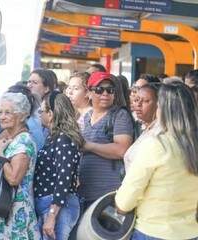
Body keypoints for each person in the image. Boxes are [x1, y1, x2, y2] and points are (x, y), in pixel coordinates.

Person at [116, 82, 198, 240]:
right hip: (191, 232)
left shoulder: (157, 144)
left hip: (153, 231)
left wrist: (120, 208)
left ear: (165, 110)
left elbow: (126, 199)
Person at [0, 92, 41, 239]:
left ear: (21, 115)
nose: (2, 117)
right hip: (4, 209)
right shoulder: (12, 138)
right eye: (0, 112)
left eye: (7, 112)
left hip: (16, 213)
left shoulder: (23, 141)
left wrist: (0, 154)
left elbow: (13, 178)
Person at [78, 71, 134, 211]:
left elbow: (122, 150)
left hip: (107, 195)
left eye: (110, 90)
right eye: (99, 89)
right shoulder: (86, 117)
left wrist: (88, 146)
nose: (105, 94)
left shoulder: (120, 115)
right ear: (89, 93)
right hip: (85, 193)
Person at [34, 91, 84, 240]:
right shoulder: (54, 137)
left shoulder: (64, 139)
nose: (39, 115)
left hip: (58, 206)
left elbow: (64, 177)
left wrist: (51, 216)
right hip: (50, 204)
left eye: (41, 111)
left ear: (51, 114)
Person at [124, 84, 160, 172]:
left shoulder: (159, 133)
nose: (138, 104)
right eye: (136, 100)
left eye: (146, 101)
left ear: (158, 104)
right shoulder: (145, 127)